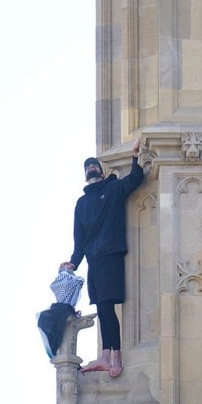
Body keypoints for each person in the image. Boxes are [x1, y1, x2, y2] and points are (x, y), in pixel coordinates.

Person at [60, 135, 144, 378]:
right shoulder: (81, 203)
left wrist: (135, 155)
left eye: (94, 165)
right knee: (102, 308)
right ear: (85, 174)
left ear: (102, 171)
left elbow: (136, 179)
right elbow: (79, 241)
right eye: (88, 166)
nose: (91, 167)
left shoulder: (114, 188)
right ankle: (106, 355)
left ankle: (114, 358)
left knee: (108, 306)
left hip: (110, 255)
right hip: (94, 260)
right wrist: (73, 263)